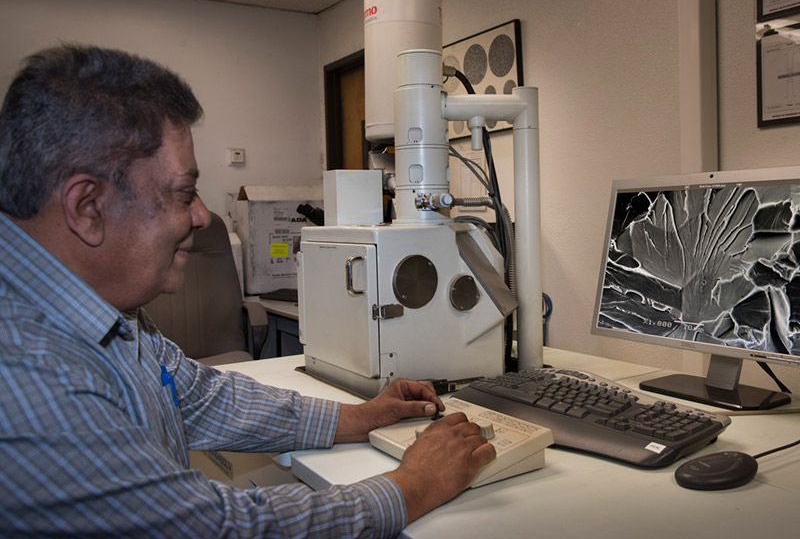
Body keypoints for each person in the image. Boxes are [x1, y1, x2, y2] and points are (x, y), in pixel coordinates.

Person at [0, 44, 496, 537]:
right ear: (88, 207)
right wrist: (416, 484)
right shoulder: (30, 382)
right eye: (181, 193)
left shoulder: (109, 313)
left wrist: (364, 416)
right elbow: (224, 529)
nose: (200, 215)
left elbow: (202, 398)